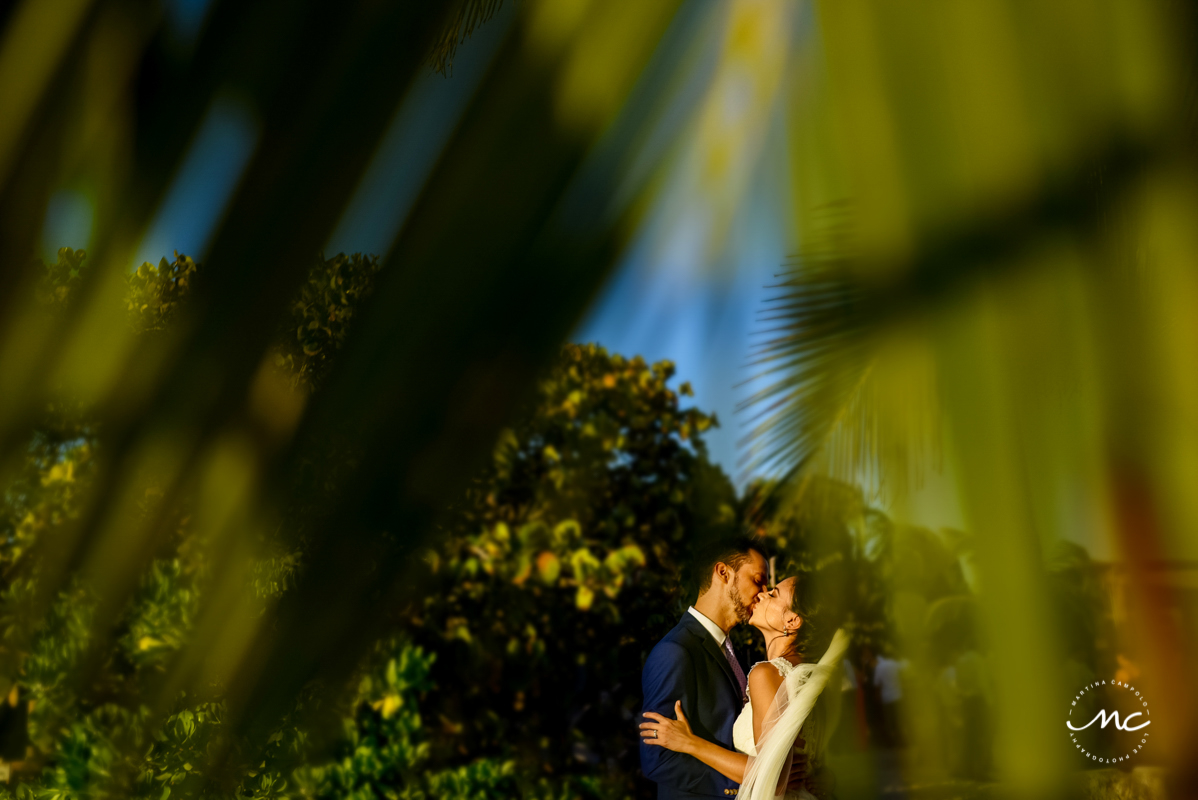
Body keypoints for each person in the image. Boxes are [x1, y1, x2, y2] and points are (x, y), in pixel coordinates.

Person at [641, 572, 848, 800]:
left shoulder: (766, 674)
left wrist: (690, 743)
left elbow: (775, 778)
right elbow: (815, 765)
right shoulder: (810, 676)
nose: (762, 594)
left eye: (773, 594)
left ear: (791, 620)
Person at [638, 538, 770, 799]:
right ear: (723, 573)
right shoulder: (676, 651)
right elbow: (658, 759)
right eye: (758, 579)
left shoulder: (730, 650)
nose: (764, 591)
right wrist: (743, 783)